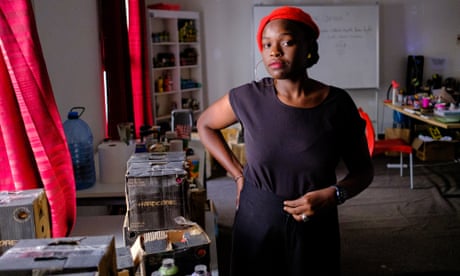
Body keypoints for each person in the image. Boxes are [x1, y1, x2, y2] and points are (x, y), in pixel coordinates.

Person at [197, 6, 374, 276]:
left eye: (286, 42)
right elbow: (205, 124)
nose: (274, 51)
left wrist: (334, 194)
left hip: (315, 225)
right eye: (267, 44)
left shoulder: (338, 105)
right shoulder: (248, 98)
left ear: (308, 47)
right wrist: (237, 175)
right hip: (256, 220)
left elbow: (363, 171)